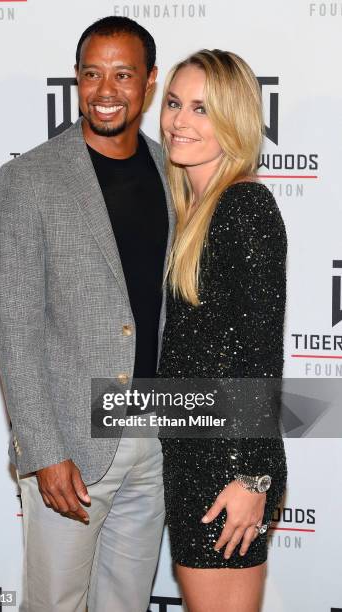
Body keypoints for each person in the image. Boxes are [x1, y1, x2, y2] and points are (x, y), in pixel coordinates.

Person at [0, 16, 175, 612]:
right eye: (91, 74)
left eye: (123, 74)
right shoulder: (27, 179)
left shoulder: (177, 173)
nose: (105, 89)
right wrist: (44, 450)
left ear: (148, 83)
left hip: (157, 432)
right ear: (75, 80)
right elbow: (15, 331)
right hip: (71, 442)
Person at [156, 49, 288, 611]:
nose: (180, 121)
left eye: (202, 109)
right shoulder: (192, 211)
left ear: (233, 120)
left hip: (226, 466)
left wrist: (253, 477)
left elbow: (260, 355)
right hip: (193, 454)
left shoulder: (245, 207)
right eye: (174, 103)